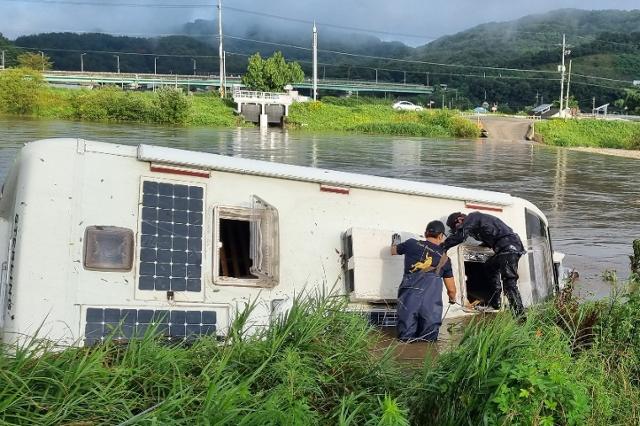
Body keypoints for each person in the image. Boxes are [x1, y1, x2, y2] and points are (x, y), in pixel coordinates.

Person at [442, 211, 526, 318]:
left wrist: (443, 246)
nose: (457, 229)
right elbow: (490, 237)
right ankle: (496, 302)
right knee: (490, 266)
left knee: (509, 283)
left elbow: (461, 236)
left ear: (459, 220)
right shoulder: (479, 221)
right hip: (506, 247)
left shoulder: (472, 217)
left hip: (508, 248)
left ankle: (520, 316)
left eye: (456, 227)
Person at [391, 220, 457, 342]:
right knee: (429, 343)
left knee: (405, 340)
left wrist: (395, 242)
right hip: (431, 308)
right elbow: (451, 289)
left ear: (425, 233)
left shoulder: (411, 244)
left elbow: (393, 251)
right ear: (441, 236)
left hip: (408, 301)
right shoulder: (445, 259)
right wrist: (452, 299)